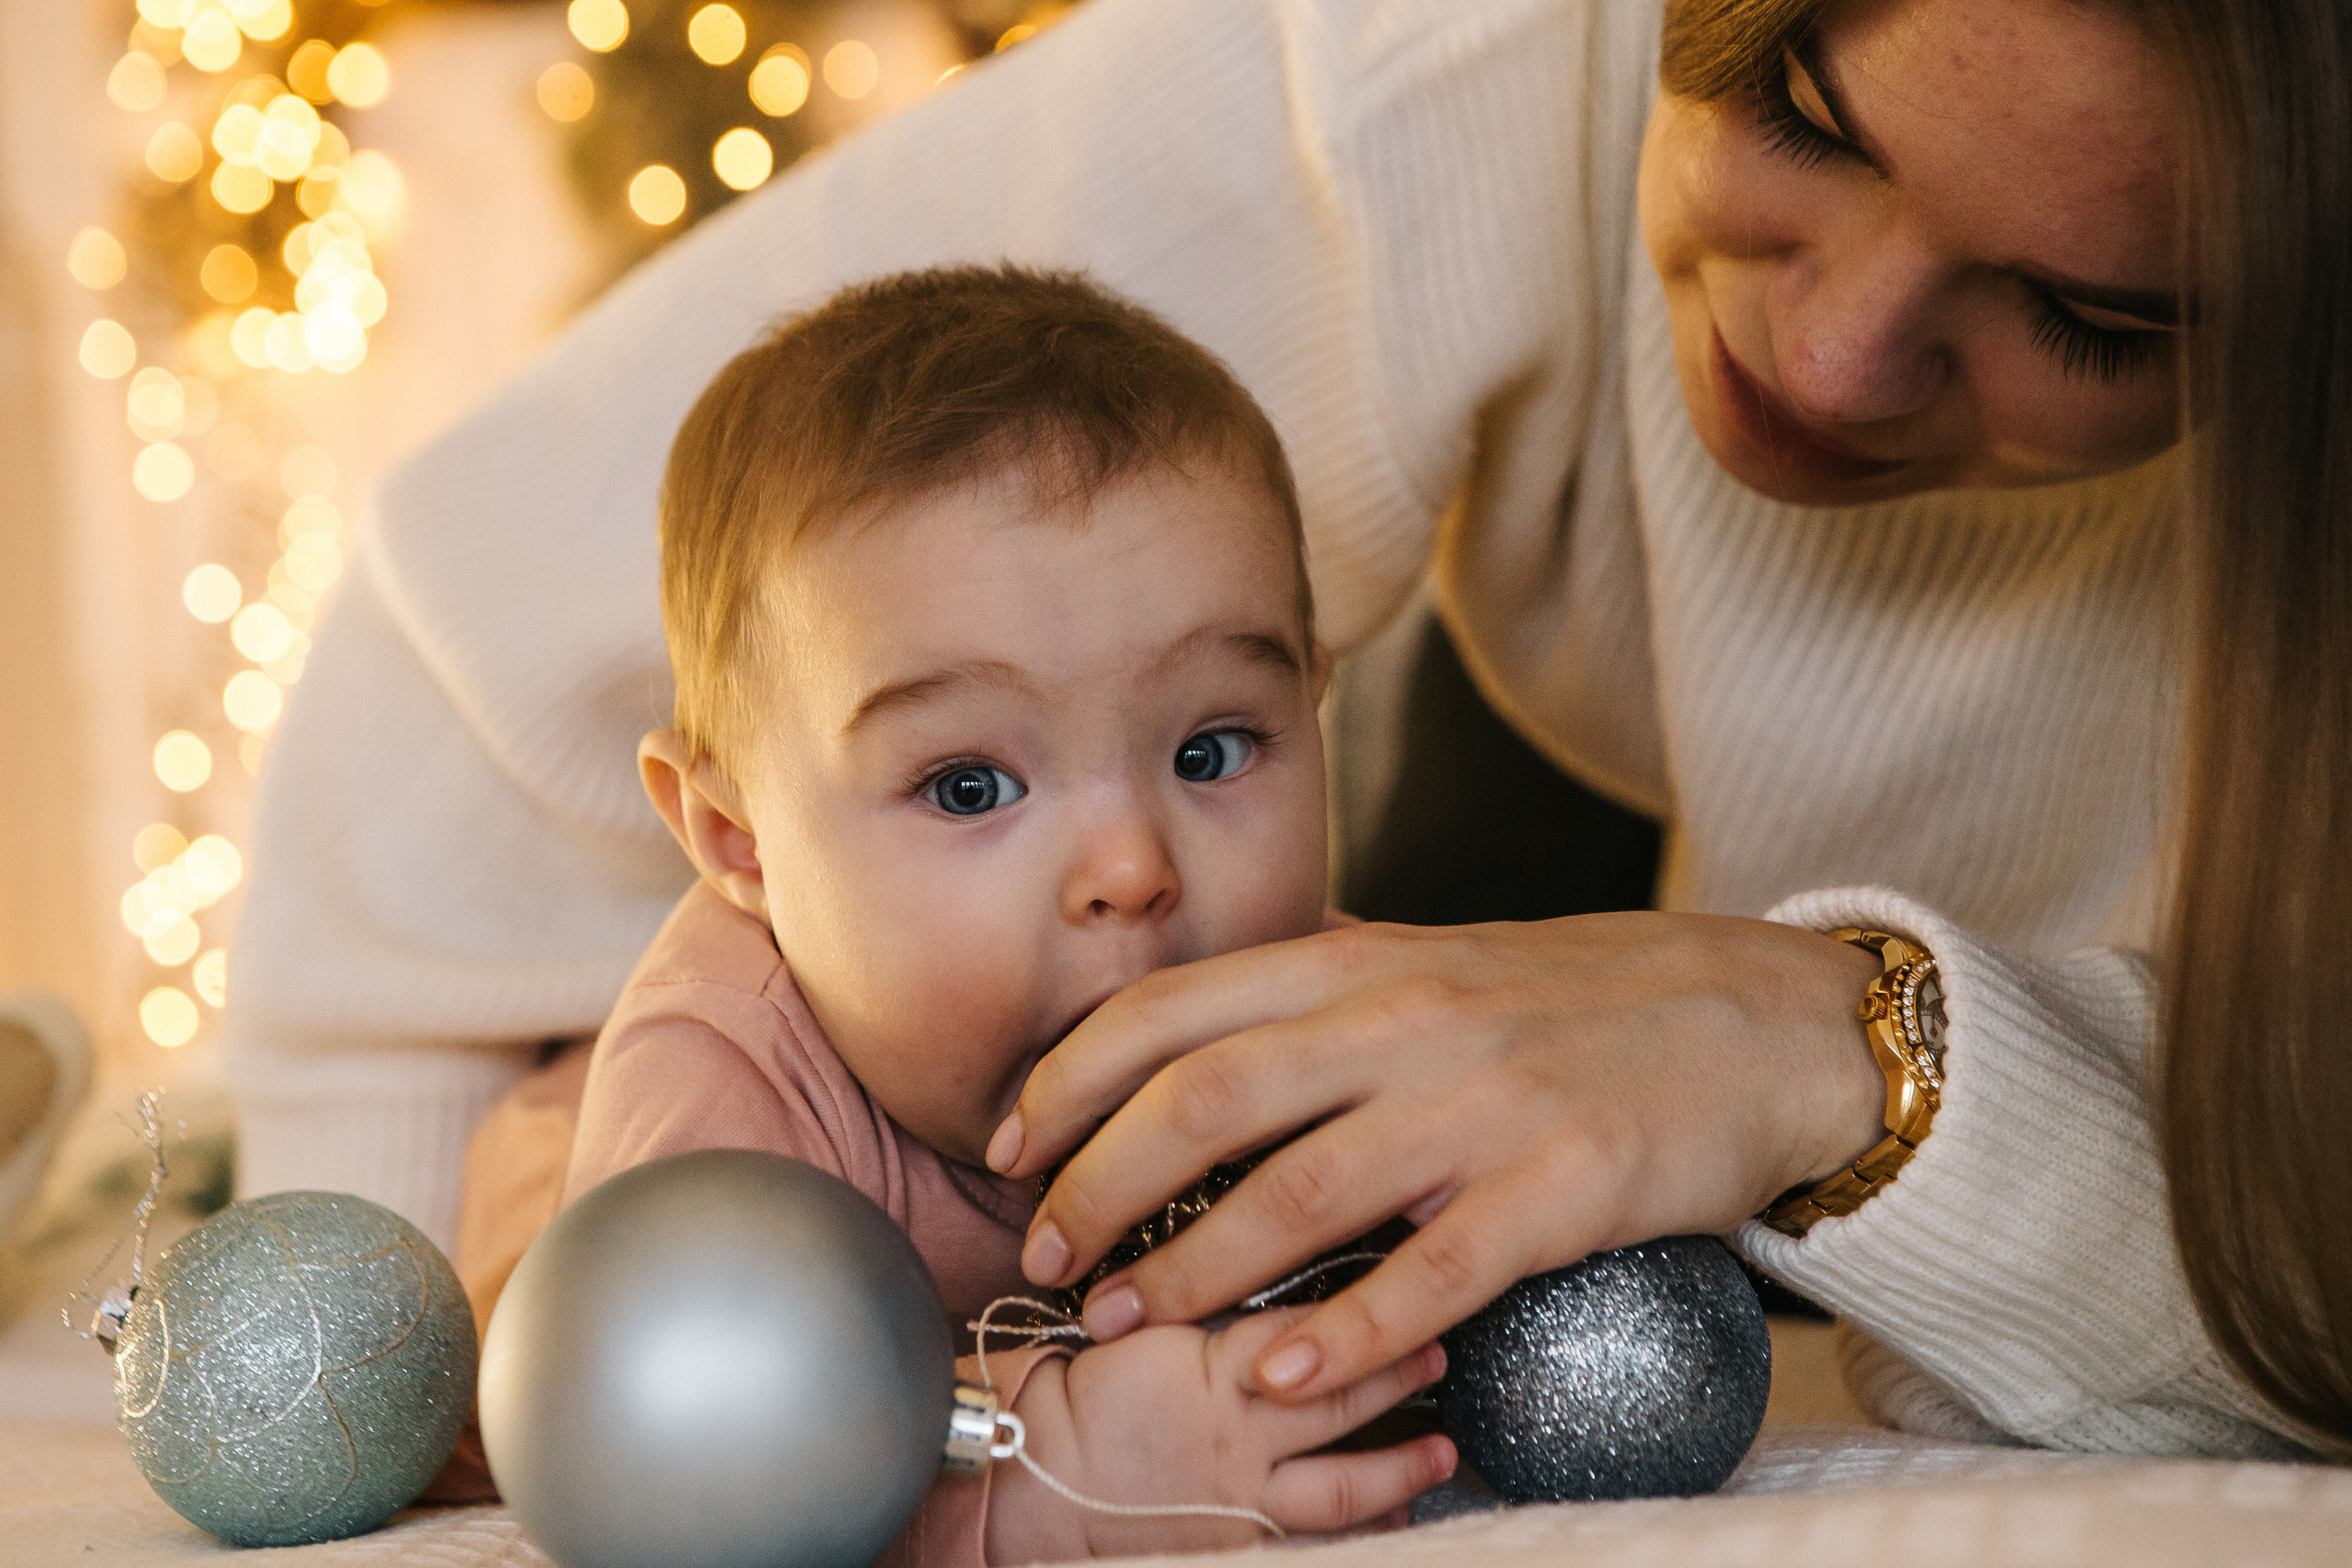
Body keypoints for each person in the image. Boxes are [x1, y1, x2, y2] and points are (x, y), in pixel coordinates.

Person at [227, 0, 2352, 1465]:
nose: (1829, 345)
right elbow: (454, 657)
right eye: (1799, 112)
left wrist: (1845, 1048)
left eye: (2098, 315)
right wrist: (465, 1367)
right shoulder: (1455, 68)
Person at [444, 266, 1455, 1555]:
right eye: (970, 786)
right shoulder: (720, 1121)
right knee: (481, 1357)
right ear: (736, 836)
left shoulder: (1326, 996)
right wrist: (1042, 1478)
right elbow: (685, 1471)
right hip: (565, 1199)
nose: (1134, 868)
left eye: (1213, 750)